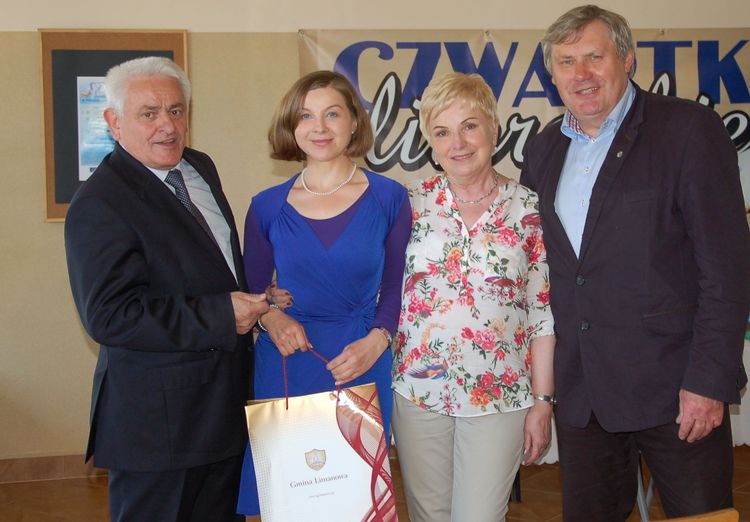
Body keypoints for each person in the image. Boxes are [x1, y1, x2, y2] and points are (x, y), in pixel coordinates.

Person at [520, 5, 750, 520]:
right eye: (566, 62)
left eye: (594, 57)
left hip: (676, 391)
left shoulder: (688, 130)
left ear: (627, 59)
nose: (581, 74)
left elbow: (727, 269)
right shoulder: (543, 150)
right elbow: (544, 274)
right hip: (583, 394)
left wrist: (709, 381)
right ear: (552, 75)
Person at [64, 56, 268, 522]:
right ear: (114, 122)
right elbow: (110, 316)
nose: (167, 126)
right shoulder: (99, 203)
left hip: (223, 412)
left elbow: (212, 267)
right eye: (149, 113)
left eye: (176, 110)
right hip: (159, 431)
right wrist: (222, 315)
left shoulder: (199, 167)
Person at [235, 70, 411, 515]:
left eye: (332, 114)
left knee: (358, 502)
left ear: (353, 121)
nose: (319, 127)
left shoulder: (390, 198)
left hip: (362, 355)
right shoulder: (266, 206)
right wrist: (271, 317)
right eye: (306, 116)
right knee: (292, 502)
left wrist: (378, 341)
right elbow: (254, 293)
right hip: (288, 358)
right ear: (291, 127)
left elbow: (397, 285)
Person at [391, 72, 556, 522]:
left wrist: (543, 403)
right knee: (429, 515)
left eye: (469, 126)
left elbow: (542, 314)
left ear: (494, 129)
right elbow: (371, 282)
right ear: (430, 143)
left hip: (499, 395)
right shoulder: (408, 204)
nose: (458, 143)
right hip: (418, 391)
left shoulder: (529, 209)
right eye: (442, 132)